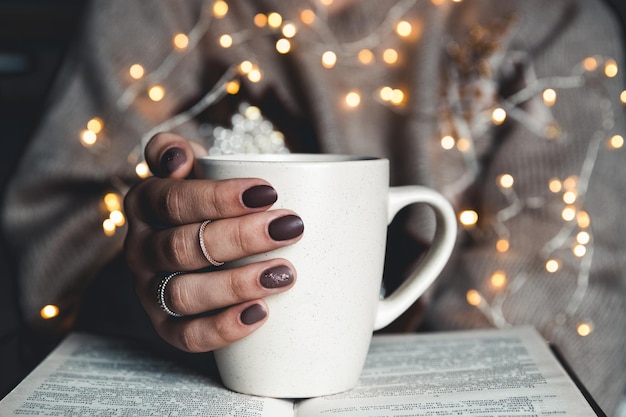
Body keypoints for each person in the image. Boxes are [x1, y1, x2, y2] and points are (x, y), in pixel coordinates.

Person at [2, 0, 626, 414]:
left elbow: (557, 330)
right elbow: (55, 252)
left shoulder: (548, 22)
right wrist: (150, 280)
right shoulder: (159, 14)